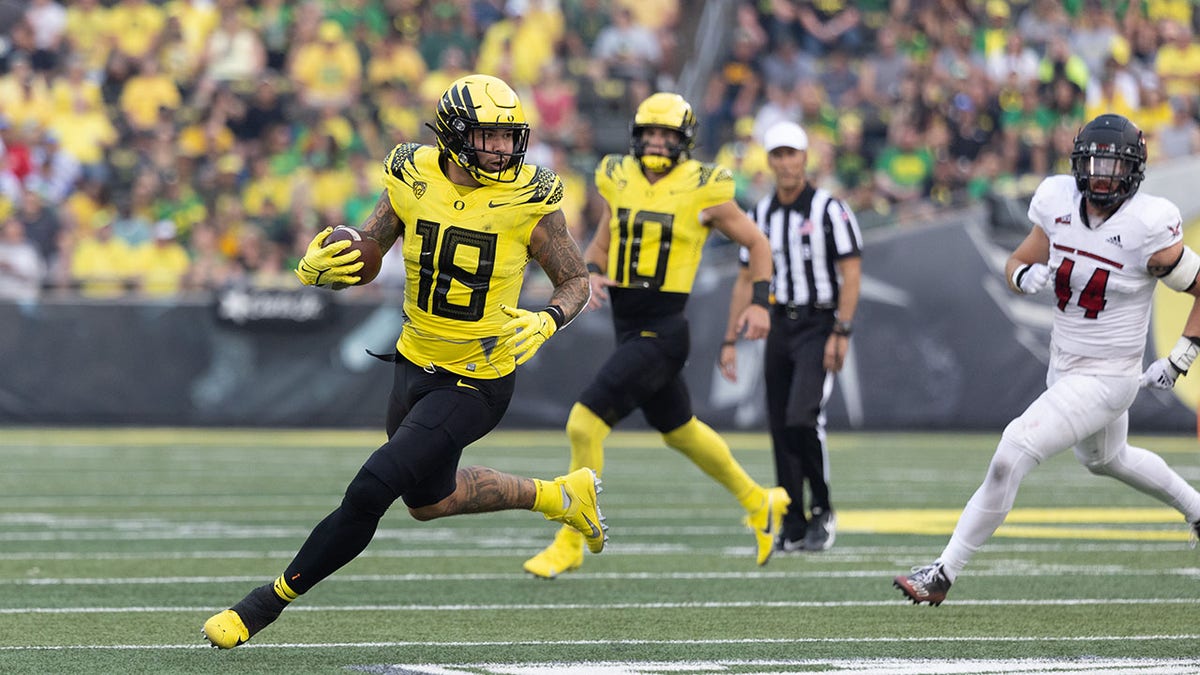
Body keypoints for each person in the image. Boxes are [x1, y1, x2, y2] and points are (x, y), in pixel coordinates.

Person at [202, 74, 604, 648]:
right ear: (453, 136)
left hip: (477, 378)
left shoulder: (529, 197)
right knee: (429, 502)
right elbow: (368, 246)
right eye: (488, 137)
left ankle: (258, 609)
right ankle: (562, 495)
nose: (503, 149)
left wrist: (548, 318)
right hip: (413, 362)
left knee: (372, 489)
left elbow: (576, 278)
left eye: (508, 136)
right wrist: (326, 268)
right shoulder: (412, 173)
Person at [894, 114, 1200, 606]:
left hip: (1107, 376)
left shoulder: (1149, 226)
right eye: (1094, 163)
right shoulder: (1057, 201)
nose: (1101, 176)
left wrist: (1182, 355)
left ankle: (943, 572)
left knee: (1012, 451)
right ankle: (1197, 510)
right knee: (1107, 459)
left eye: (1112, 166)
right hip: (1064, 365)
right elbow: (1019, 261)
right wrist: (1021, 279)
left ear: (1134, 171)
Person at [521, 92, 790, 579]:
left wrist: (760, 301)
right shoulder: (618, 176)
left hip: (663, 327)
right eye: (651, 133)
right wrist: (594, 270)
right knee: (681, 431)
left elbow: (758, 242)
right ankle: (760, 501)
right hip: (629, 324)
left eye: (668, 135)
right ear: (637, 136)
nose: (659, 143)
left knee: (584, 424)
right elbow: (608, 232)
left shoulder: (704, 187)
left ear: (684, 140)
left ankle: (572, 537)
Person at [720, 120, 862, 553]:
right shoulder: (760, 214)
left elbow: (851, 274)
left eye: (792, 154)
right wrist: (729, 339)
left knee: (803, 418)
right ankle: (793, 518)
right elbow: (746, 278)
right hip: (778, 323)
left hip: (818, 324)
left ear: (805, 158)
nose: (785, 162)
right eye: (778, 154)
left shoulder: (829, 210)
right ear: (769, 159)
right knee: (780, 425)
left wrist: (841, 330)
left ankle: (821, 508)